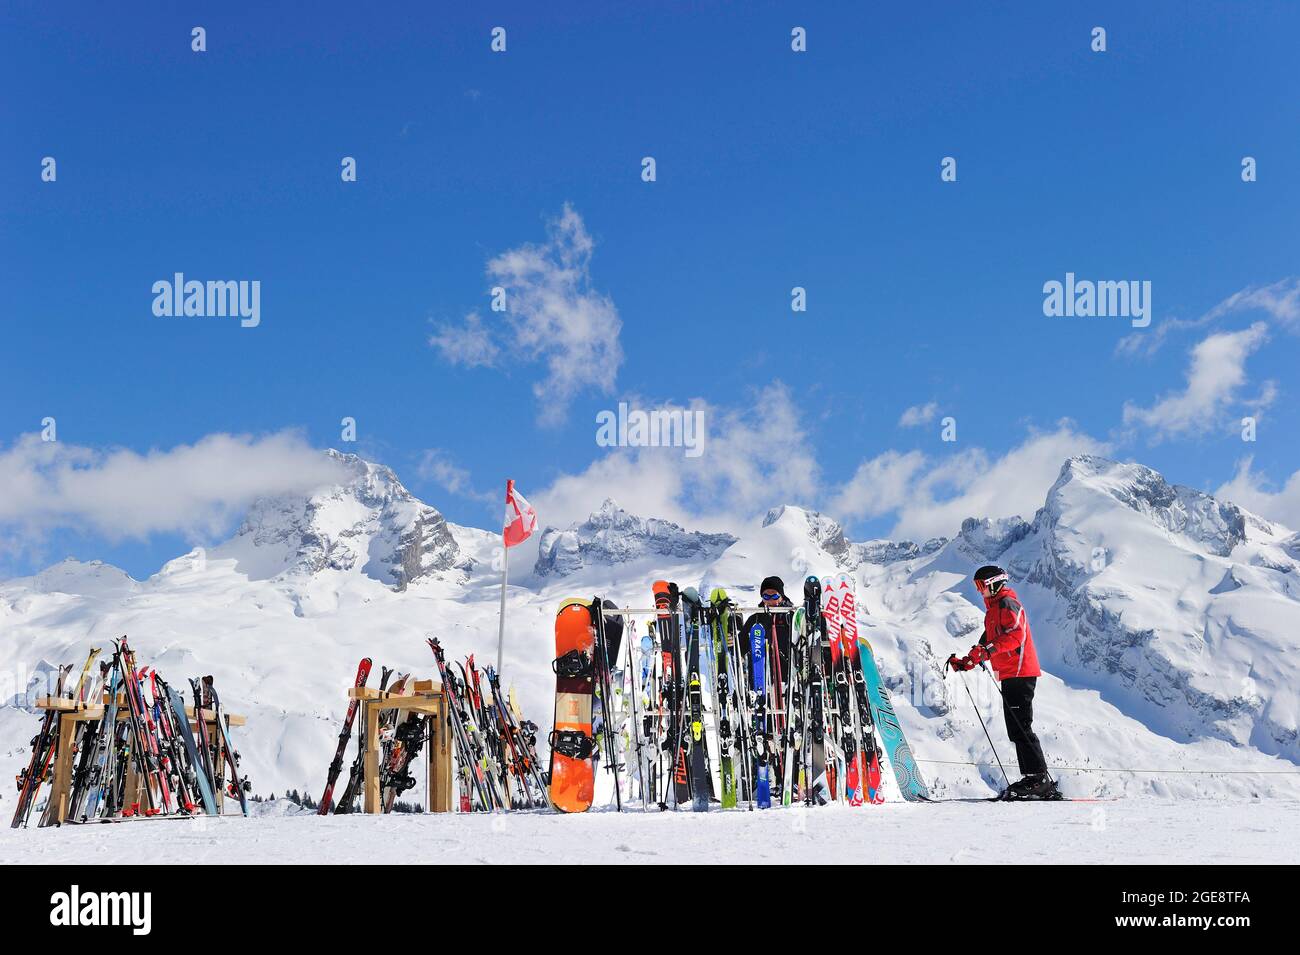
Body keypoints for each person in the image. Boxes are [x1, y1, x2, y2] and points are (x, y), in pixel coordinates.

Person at [946, 565, 1058, 800]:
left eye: (981, 586)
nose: (980, 591)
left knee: (1021, 726)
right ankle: (1034, 778)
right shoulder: (993, 610)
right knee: (1016, 728)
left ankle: (1038, 780)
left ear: (995, 583)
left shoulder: (1008, 604)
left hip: (1021, 672)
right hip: (1009, 673)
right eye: (977, 586)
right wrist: (967, 661)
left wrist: (985, 651)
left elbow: (1015, 636)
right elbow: (986, 642)